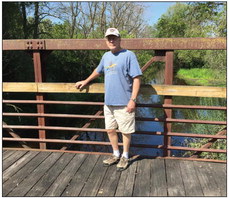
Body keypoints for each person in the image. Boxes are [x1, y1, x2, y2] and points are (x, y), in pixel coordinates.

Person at [75, 28, 142, 171]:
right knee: (110, 130)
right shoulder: (106, 56)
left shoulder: (129, 55)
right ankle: (115, 154)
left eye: (114, 38)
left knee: (125, 131)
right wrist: (86, 81)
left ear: (119, 39)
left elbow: (137, 78)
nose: (111, 40)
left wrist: (133, 100)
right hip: (108, 102)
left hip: (124, 103)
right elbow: (98, 71)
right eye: (109, 38)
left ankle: (125, 156)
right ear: (106, 40)